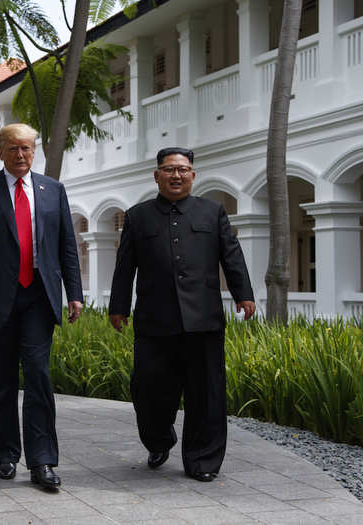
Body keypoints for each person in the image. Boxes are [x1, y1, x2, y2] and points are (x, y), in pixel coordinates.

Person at [108, 147, 255, 482]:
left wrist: (243, 293)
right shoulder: (137, 216)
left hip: (203, 320)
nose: (176, 175)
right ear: (157, 175)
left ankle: (203, 461)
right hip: (153, 322)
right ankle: (159, 440)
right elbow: (124, 267)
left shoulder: (212, 212)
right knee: (147, 391)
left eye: (183, 169)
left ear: (193, 175)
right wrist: (118, 307)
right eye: (169, 169)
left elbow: (231, 256)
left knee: (206, 393)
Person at [0, 123, 83, 489]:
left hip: (38, 298)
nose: (22, 155)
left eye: (27, 148)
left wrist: (74, 292)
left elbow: (66, 247)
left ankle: (42, 461)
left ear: (34, 150)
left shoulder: (52, 190)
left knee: (39, 376)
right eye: (14, 148)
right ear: (1, 151)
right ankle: (7, 454)